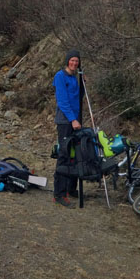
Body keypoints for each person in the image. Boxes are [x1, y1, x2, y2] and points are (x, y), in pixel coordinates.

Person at [52, 49, 85, 207]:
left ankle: (71, 188)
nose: (74, 63)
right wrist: (72, 120)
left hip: (76, 121)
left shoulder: (74, 78)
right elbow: (63, 101)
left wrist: (83, 84)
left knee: (76, 155)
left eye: (76, 61)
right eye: (72, 60)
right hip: (65, 122)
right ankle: (59, 193)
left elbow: (78, 98)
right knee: (64, 156)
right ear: (67, 61)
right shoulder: (60, 76)